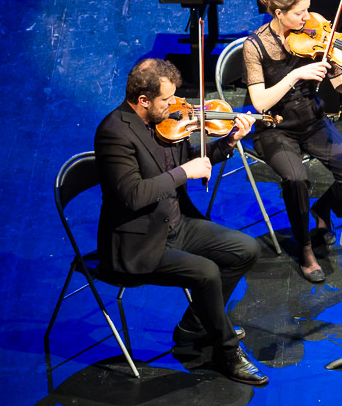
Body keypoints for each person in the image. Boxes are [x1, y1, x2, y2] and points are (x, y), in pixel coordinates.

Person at [94, 57, 266, 385]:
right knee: (207, 272)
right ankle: (227, 349)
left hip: (176, 223)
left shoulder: (166, 121)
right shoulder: (114, 132)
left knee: (246, 249)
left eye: (174, 97)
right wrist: (183, 173)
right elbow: (133, 194)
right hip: (138, 242)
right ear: (143, 100)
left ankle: (196, 324)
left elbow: (189, 159)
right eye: (165, 99)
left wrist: (228, 142)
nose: (174, 105)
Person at [243, 0, 342, 283]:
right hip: (274, 126)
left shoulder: (317, 33)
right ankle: (305, 248)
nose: (308, 19)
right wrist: (295, 75)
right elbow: (259, 102)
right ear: (279, 14)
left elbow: (341, 85)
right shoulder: (254, 46)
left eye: (308, 10)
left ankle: (322, 210)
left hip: (311, 117)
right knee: (296, 180)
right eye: (300, 13)